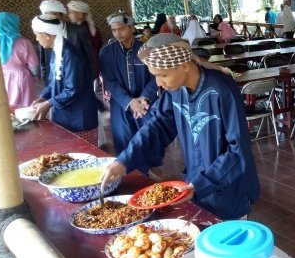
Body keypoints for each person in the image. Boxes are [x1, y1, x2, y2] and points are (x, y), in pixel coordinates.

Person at [100, 33, 261, 220]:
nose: (159, 83)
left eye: (163, 75)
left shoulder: (221, 89)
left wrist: (200, 185)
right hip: (195, 182)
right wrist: (124, 160)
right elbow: (157, 126)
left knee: (228, 242)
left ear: (184, 66)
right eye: (155, 77)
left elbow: (238, 150)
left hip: (229, 187)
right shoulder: (175, 90)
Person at [99, 13, 158, 172]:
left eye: (121, 29)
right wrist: (130, 102)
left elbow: (155, 77)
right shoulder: (106, 53)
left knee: (147, 137)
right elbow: (110, 82)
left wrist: (144, 97)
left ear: (132, 28)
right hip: (121, 104)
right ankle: (128, 175)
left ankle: (147, 175)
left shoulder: (146, 49)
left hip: (145, 103)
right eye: (114, 30)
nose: (117, 33)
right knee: (124, 140)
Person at [30, 14, 98, 137]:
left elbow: (73, 90)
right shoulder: (57, 52)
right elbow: (53, 82)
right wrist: (44, 97)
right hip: (64, 115)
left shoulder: (70, 55)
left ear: (47, 35)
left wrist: (48, 104)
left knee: (85, 154)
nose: (36, 39)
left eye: (37, 34)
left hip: (79, 117)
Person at [0, 12, 39, 108]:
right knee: (25, 107)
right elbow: (34, 64)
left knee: (3, 107)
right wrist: (35, 76)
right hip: (21, 77)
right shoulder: (24, 42)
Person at [67, 0, 102, 78]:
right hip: (92, 65)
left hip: (84, 67)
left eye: (71, 12)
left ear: (79, 14)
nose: (68, 15)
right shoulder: (93, 28)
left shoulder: (81, 31)